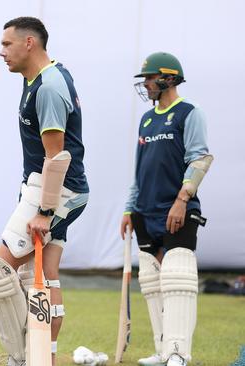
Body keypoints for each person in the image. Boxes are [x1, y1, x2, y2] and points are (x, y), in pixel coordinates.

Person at [0, 16, 89, 366]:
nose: (1, 52)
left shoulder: (49, 86)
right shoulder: (37, 79)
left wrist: (45, 210)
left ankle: (23, 357)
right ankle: (43, 358)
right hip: (47, 188)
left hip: (56, 190)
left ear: (29, 43)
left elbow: (57, 157)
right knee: (42, 275)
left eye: (7, 44)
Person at [120, 52, 212, 366]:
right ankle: (162, 351)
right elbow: (139, 169)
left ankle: (178, 353)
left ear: (168, 78)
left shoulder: (189, 112)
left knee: (177, 281)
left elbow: (199, 159)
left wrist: (182, 200)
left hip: (176, 210)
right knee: (152, 282)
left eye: (149, 78)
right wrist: (129, 209)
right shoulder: (147, 119)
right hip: (144, 212)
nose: (145, 84)